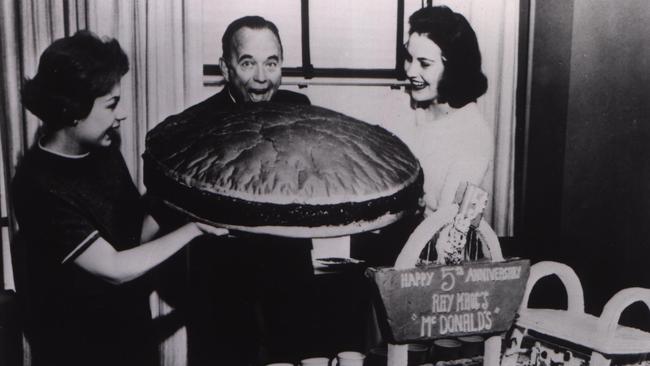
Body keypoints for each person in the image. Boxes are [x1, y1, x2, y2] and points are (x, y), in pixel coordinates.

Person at [11, 30, 228, 366]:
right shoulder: (37, 185)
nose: (121, 114)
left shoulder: (103, 148)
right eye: (111, 104)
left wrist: (184, 188)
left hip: (130, 337)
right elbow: (113, 268)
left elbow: (133, 238)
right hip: (77, 351)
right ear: (73, 111)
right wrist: (194, 228)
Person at [152, 15, 315, 366]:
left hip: (291, 289)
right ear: (226, 69)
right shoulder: (194, 128)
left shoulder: (301, 112)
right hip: (222, 301)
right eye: (248, 63)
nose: (261, 76)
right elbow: (156, 215)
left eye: (271, 63)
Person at [393, 5, 494, 265]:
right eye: (409, 58)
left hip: (436, 264)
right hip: (394, 245)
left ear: (454, 69)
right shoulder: (404, 108)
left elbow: (446, 229)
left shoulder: (472, 133)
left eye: (424, 64)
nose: (410, 71)